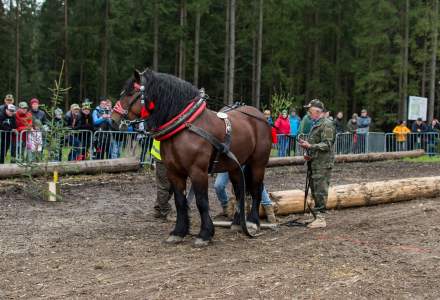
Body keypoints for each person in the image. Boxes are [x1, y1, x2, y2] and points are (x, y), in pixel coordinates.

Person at [298, 99, 335, 228]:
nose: (308, 113)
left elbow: (327, 144)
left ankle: (321, 218)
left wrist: (311, 145)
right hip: (315, 162)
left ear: (318, 111)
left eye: (310, 110)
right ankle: (316, 216)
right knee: (315, 190)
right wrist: (308, 150)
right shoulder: (317, 123)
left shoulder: (327, 124)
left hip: (323, 164)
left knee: (320, 190)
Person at [151, 139, 174, 220]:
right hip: (161, 156)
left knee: (171, 185)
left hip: (168, 156)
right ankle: (166, 210)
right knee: (164, 186)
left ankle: (158, 208)